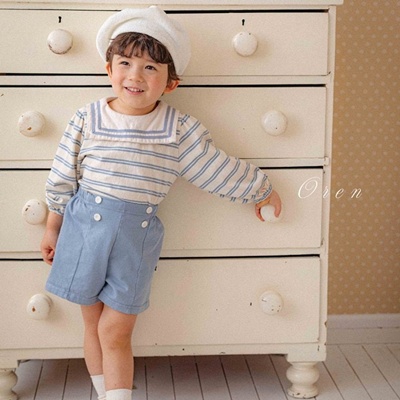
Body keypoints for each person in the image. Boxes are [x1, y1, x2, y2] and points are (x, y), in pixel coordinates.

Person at [40, 6, 282, 400]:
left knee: (114, 329)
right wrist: (53, 227)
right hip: (83, 230)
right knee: (92, 324)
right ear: (109, 69)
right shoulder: (86, 118)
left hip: (134, 239)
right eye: (125, 63)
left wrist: (259, 188)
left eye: (150, 67)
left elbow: (213, 167)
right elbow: (62, 176)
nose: (135, 75)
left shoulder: (177, 129)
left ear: (171, 83)